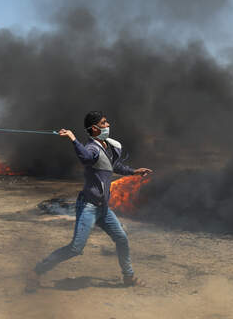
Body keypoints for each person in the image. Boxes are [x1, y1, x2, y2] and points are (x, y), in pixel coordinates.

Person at [26, 111, 152, 293]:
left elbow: (115, 166)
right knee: (76, 248)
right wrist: (73, 139)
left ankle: (128, 276)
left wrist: (134, 171)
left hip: (103, 209)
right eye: (104, 123)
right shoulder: (91, 148)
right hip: (88, 207)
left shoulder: (106, 146)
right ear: (94, 128)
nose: (108, 125)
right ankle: (36, 272)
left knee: (122, 239)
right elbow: (85, 158)